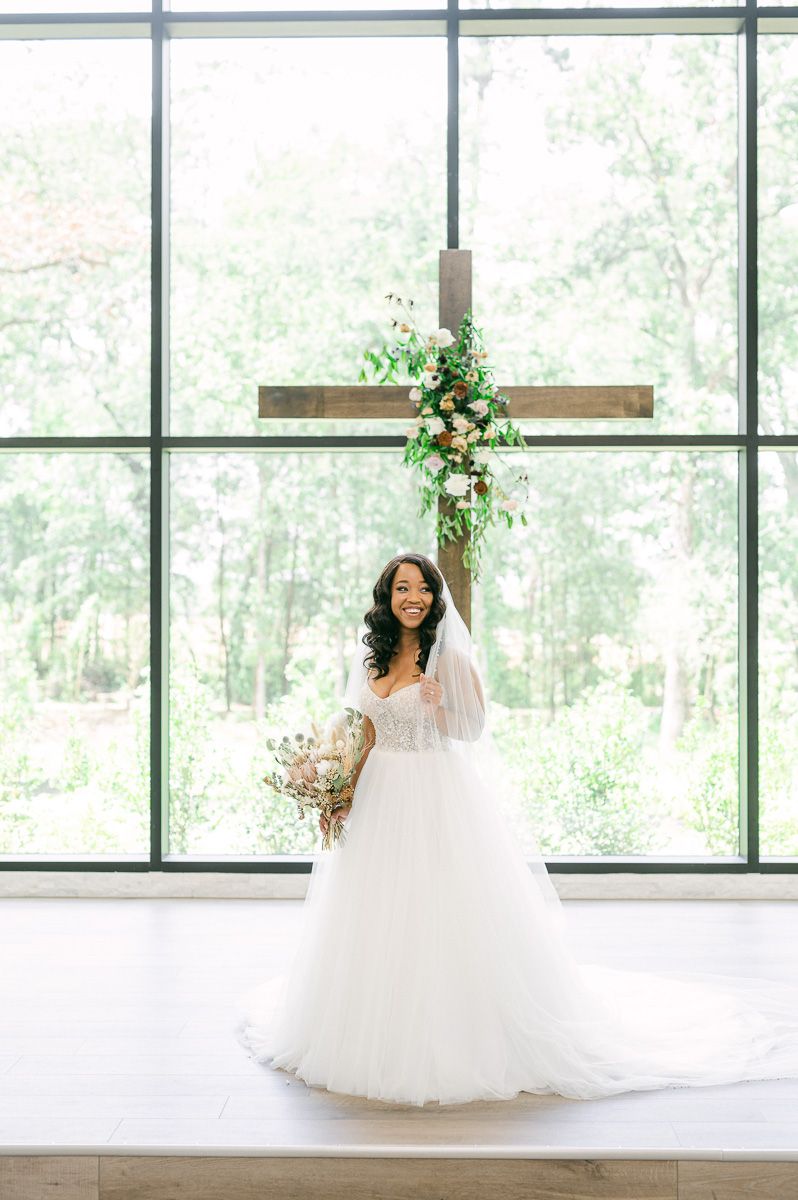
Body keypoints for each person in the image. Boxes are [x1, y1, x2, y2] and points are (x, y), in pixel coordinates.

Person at [234, 552, 798, 1106]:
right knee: (374, 912)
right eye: (403, 588)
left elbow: (473, 728)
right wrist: (338, 788)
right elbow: (361, 730)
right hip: (379, 797)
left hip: (433, 796)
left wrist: (437, 709)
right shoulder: (371, 659)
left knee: (438, 912)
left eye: (424, 589)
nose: (414, 598)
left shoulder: (446, 657)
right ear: (386, 597)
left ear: (435, 598)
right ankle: (364, 1027)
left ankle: (447, 1037)